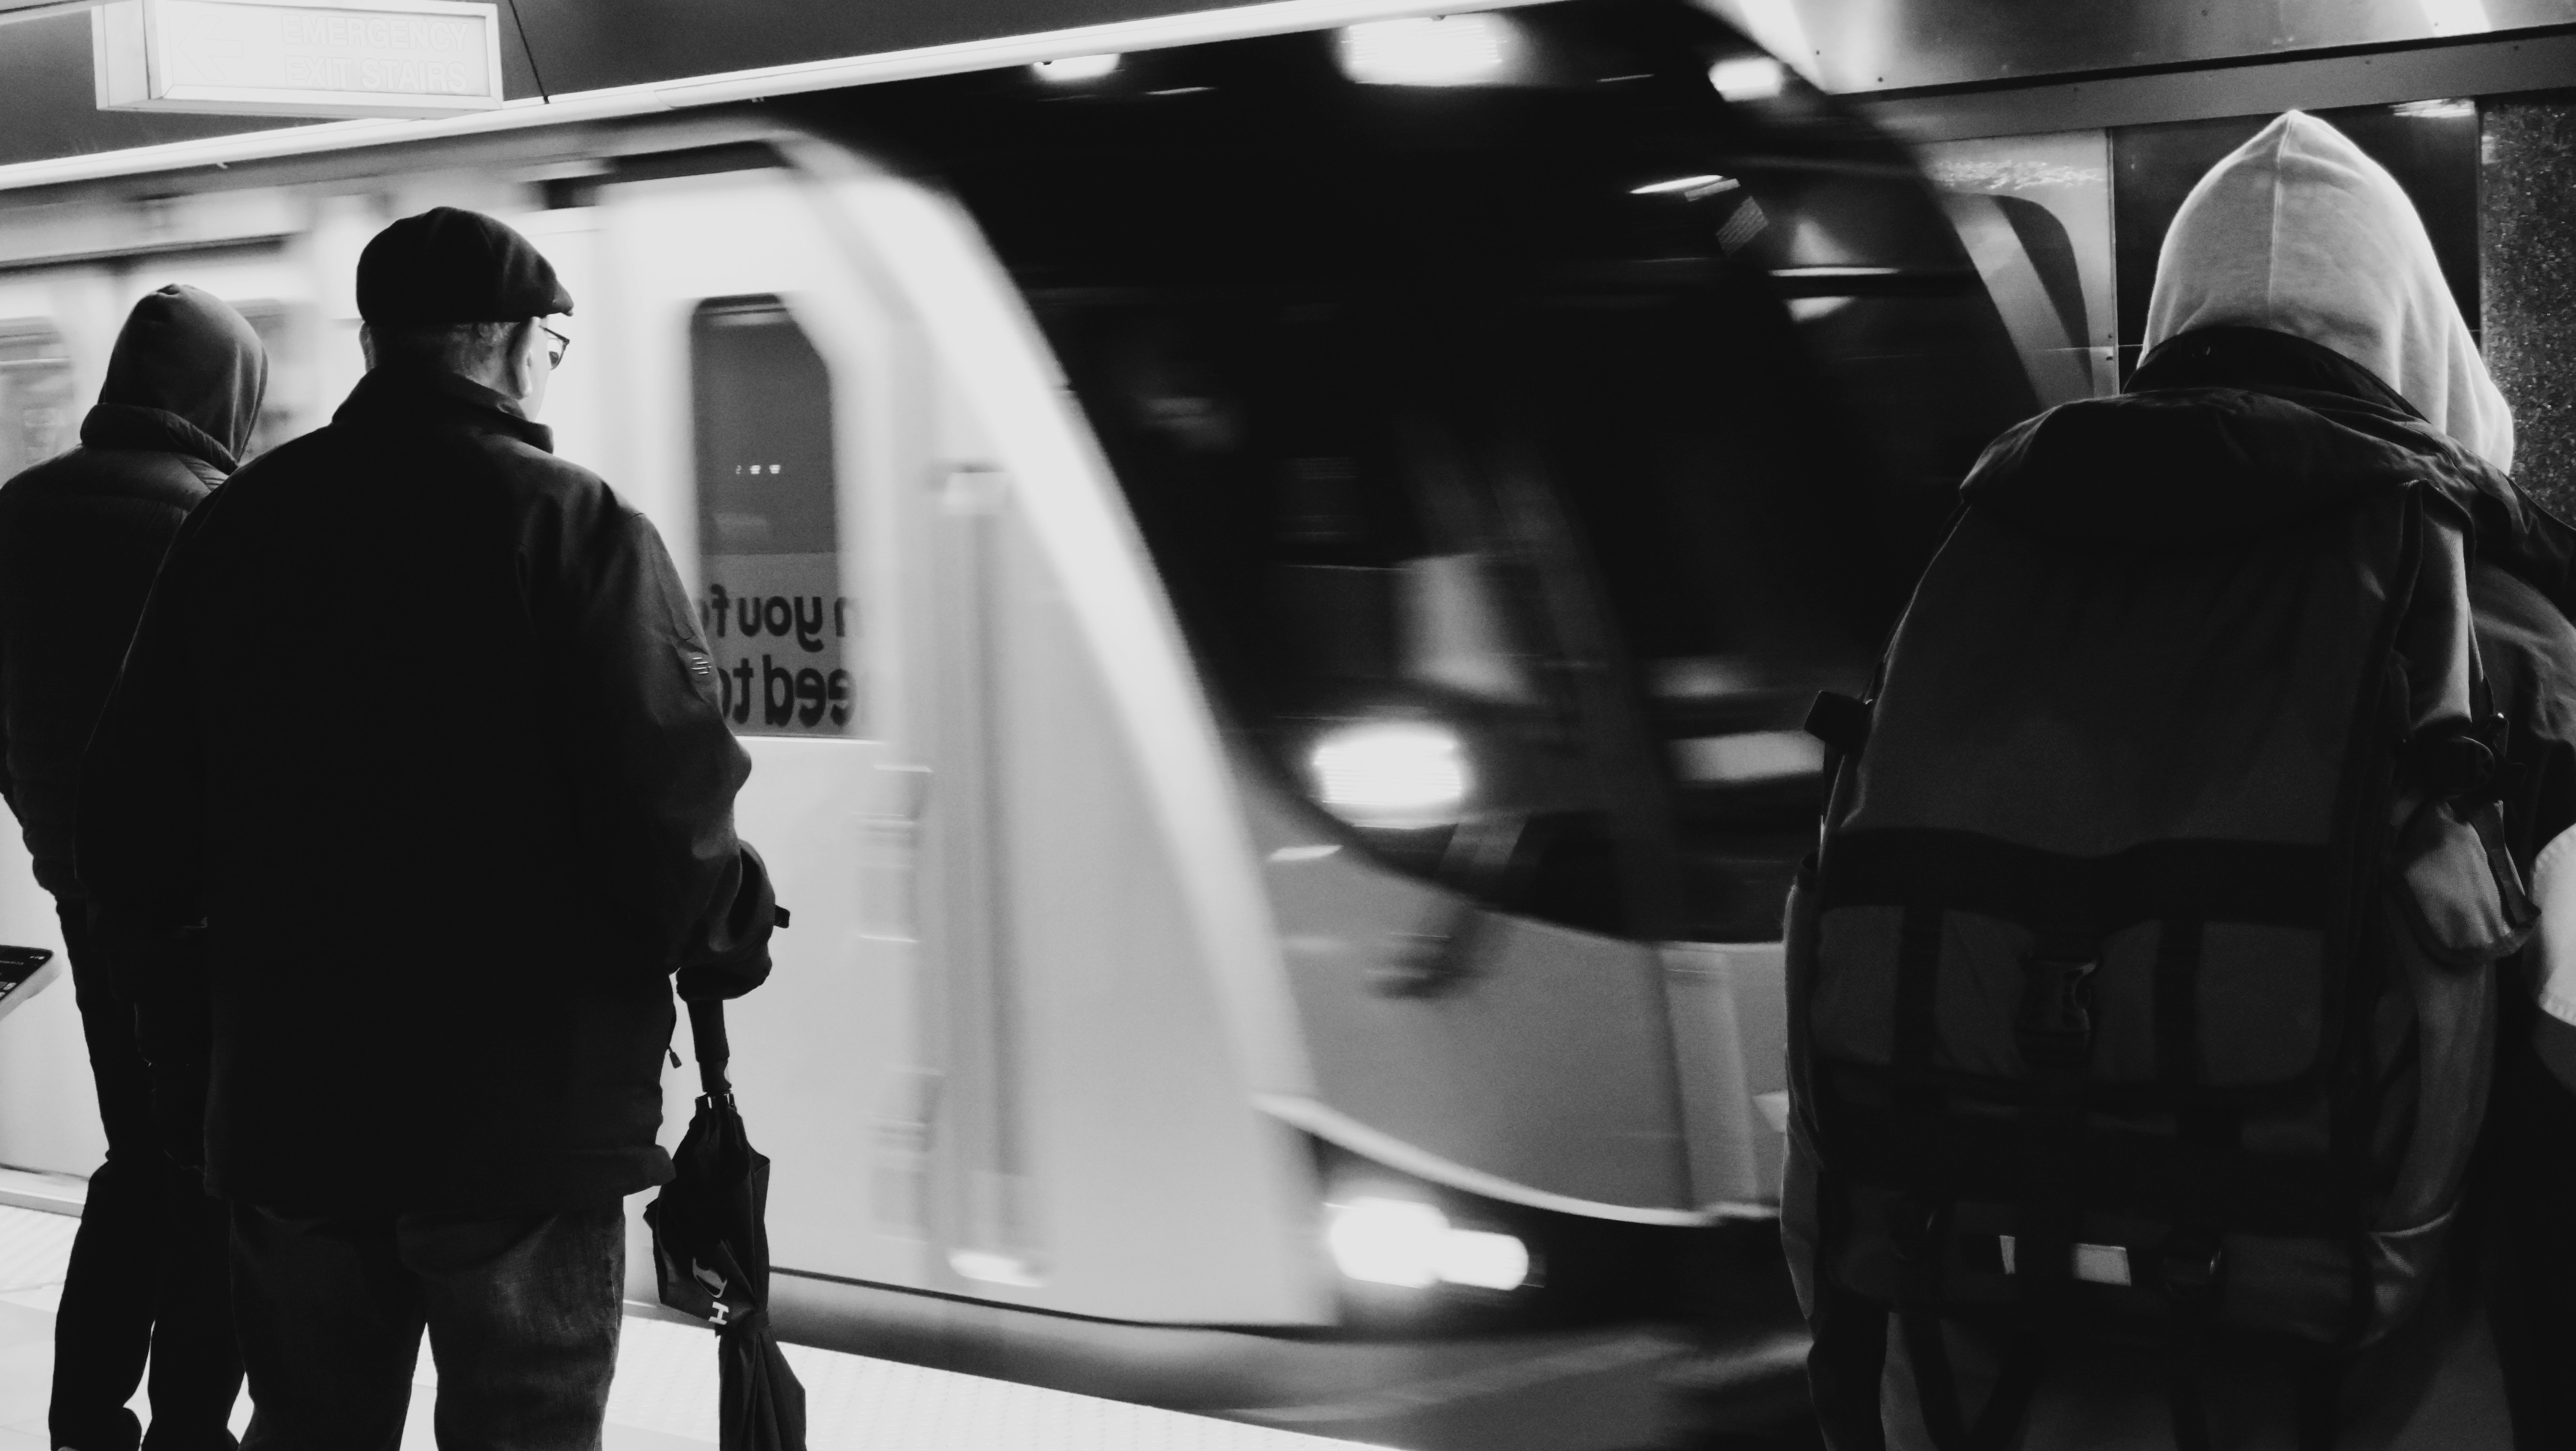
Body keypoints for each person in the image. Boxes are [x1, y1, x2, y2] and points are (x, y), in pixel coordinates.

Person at [1792, 112, 2566, 1449]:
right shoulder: (2511, 657)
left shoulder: (1979, 592)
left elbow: (1834, 1097)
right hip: (2391, 1400)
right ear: (2419, 339)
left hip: (1979, 1396)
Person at [77, 208, 779, 1451]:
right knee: (522, 1428)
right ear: (512, 346)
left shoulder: (238, 525)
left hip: (292, 1112)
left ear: (379, 346)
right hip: (521, 1119)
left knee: (311, 1426)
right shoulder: (576, 527)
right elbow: (667, 806)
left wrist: (199, 1016)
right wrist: (728, 931)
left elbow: (127, 821)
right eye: (554, 344)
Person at [0, 284, 260, 1451]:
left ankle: (82, 1420)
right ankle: (189, 1429)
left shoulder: (13, 514)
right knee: (213, 1181)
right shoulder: (220, 525)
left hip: (88, 894)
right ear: (227, 395)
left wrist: (55, 843)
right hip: (205, 922)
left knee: (134, 1161)